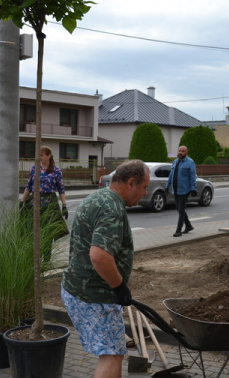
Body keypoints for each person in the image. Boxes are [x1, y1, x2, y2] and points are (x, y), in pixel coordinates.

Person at [61, 160, 149, 378]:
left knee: (114, 352)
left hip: (80, 290)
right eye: (144, 187)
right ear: (131, 183)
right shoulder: (112, 208)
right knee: (111, 354)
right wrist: (119, 286)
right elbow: (99, 256)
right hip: (93, 296)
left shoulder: (98, 196)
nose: (145, 193)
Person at [19, 146, 69, 244]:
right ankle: (33, 254)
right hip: (34, 201)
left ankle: (46, 257)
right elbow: (28, 186)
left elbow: (61, 189)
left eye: (41, 155)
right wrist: (22, 201)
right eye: (38, 155)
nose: (39, 157)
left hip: (49, 203)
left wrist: (64, 206)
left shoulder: (56, 171)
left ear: (49, 156)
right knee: (30, 229)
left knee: (47, 231)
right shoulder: (35, 169)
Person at [165, 145, 197, 237]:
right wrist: (167, 186)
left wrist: (193, 189)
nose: (181, 152)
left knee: (181, 209)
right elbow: (171, 175)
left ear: (186, 153)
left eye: (183, 151)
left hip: (184, 189)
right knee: (178, 208)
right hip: (176, 189)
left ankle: (178, 230)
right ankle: (188, 226)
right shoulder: (175, 161)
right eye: (179, 151)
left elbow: (192, 177)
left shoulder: (190, 162)